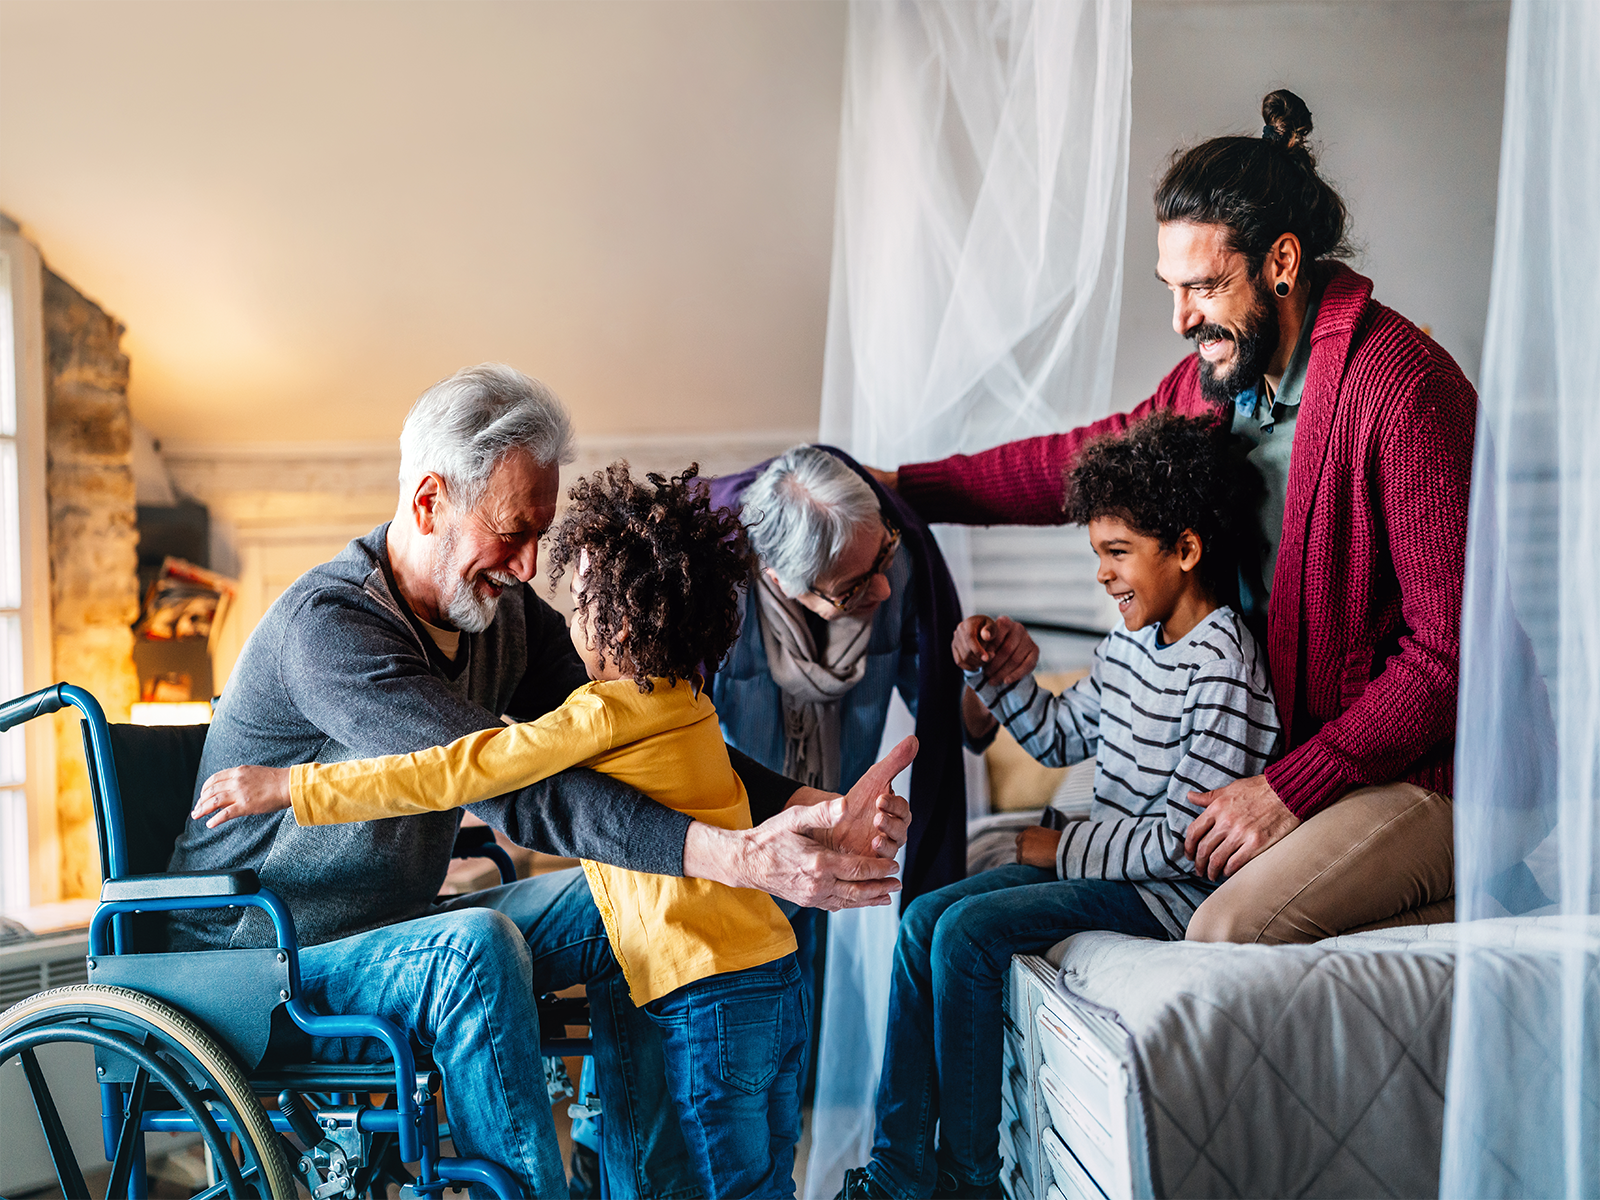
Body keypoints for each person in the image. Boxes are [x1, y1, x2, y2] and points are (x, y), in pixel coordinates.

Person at [164, 364, 914, 1200]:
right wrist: (726, 853)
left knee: (643, 891)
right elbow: (510, 789)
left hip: (397, 923)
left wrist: (794, 805)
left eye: (541, 538)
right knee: (473, 950)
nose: (528, 568)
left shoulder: (500, 613)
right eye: (512, 533)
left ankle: (638, 1184)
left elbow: (641, 719)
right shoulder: (331, 631)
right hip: (267, 955)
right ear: (428, 504)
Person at [873, 89, 1472, 945]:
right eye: (1172, 287)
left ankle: (1492, 886)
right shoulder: (1212, 390)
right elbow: (1075, 467)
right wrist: (904, 487)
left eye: (1204, 287)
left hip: (1422, 774)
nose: (1183, 318)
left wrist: (1288, 790)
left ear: (1282, 262)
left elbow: (1449, 661)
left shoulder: (1402, 389)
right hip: (1302, 762)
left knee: (1225, 930)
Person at [835, 413, 1281, 1200]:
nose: (1104, 576)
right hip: (1110, 872)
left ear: (1185, 549)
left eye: (1118, 554)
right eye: (1096, 555)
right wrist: (994, 671)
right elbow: (1058, 735)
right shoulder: (1132, 643)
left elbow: (1189, 841)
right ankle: (900, 1169)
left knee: (968, 933)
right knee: (920, 921)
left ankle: (971, 1180)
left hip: (1164, 896)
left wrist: (1060, 852)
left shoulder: (1227, 663)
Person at [708, 445, 970, 907]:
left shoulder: (903, 571)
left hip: (837, 835)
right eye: (851, 589)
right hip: (728, 854)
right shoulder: (714, 595)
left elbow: (945, 711)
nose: (884, 589)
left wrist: (995, 680)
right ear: (778, 580)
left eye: (883, 558)